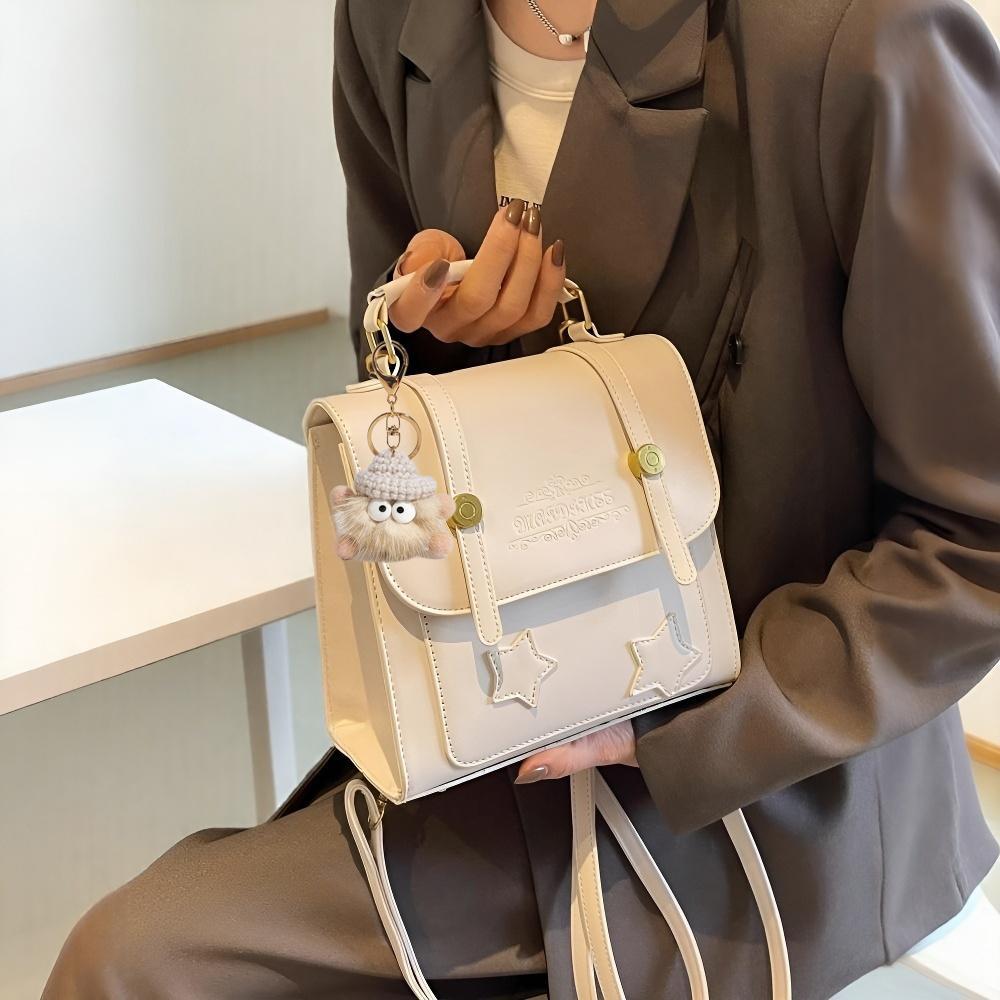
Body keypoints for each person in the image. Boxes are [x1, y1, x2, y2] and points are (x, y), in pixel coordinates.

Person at [43, 0, 1000, 997]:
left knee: (134, 962)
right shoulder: (389, 18)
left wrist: (679, 733)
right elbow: (392, 475)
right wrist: (428, 351)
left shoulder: (858, 31)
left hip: (775, 768)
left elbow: (975, 537)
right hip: (487, 713)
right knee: (133, 958)